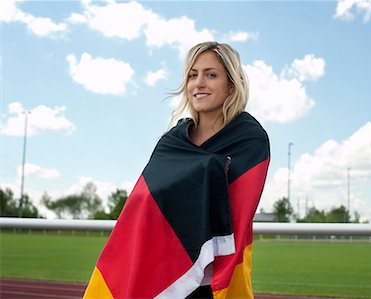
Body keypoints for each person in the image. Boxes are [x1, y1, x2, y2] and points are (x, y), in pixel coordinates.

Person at [83, 41, 270, 299]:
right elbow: (143, 203)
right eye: (193, 75)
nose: (199, 83)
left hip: (211, 278)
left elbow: (238, 209)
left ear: (231, 84)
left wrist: (203, 169)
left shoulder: (248, 138)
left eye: (211, 74)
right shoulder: (172, 141)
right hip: (158, 268)